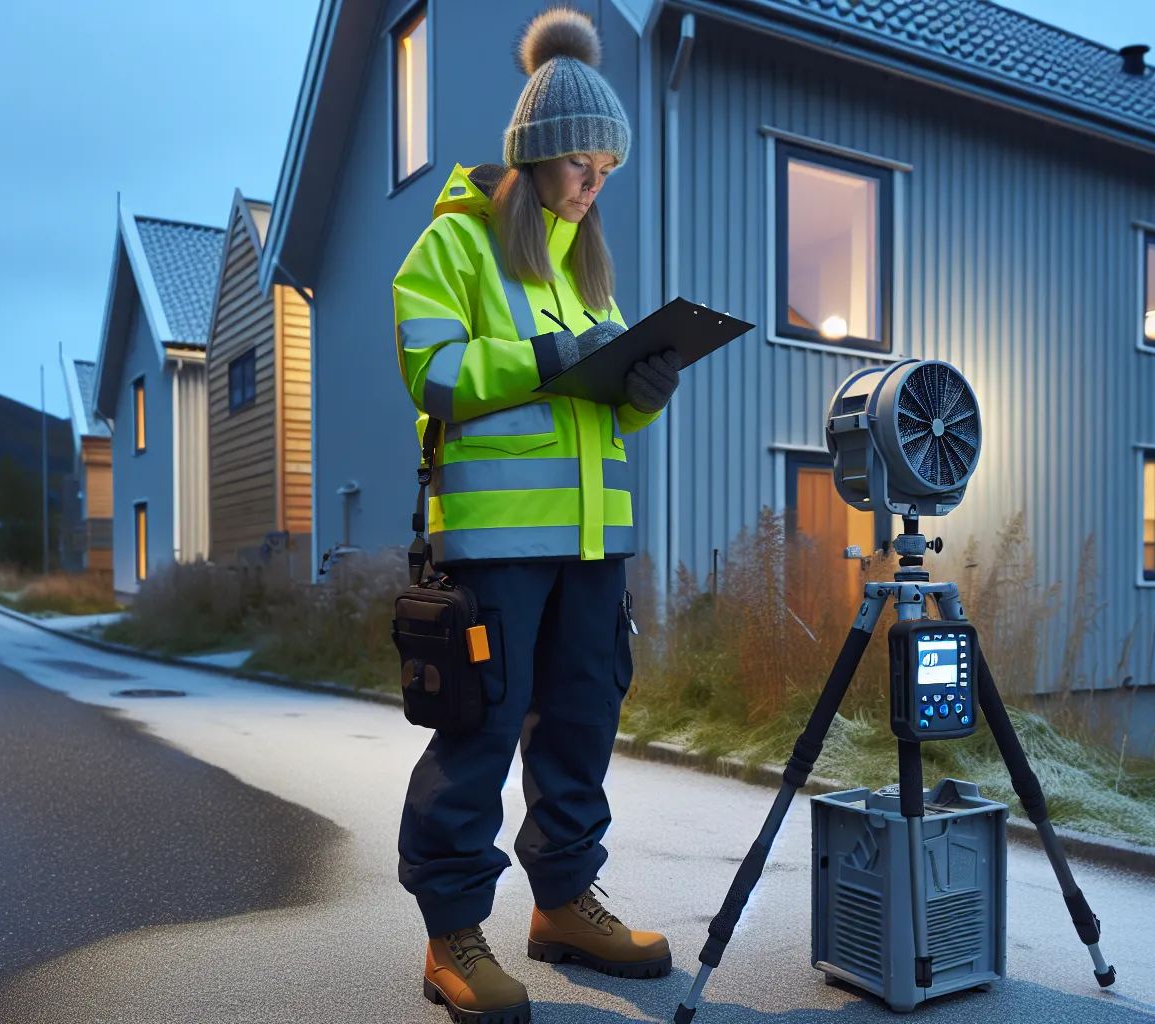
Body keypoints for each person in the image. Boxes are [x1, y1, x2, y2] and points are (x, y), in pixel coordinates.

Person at [389, 8, 681, 1022]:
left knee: (580, 729)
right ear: (537, 153)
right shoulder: (453, 247)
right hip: (498, 546)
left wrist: (637, 389)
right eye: (581, 163)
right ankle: (450, 935)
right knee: (476, 733)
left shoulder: (583, 268)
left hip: (594, 545)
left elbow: (589, 419)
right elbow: (435, 374)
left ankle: (561, 901)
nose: (594, 182)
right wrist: (555, 360)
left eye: (606, 166)